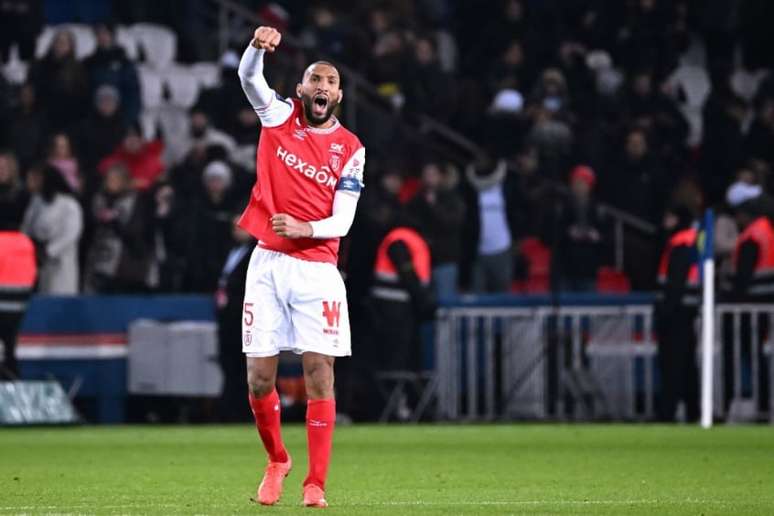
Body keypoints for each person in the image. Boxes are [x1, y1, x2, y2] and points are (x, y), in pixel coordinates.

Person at [237, 26, 365, 508]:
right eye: (315, 79)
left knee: (319, 373)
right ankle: (277, 459)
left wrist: (304, 229)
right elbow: (249, 79)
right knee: (258, 379)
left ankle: (315, 484)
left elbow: (345, 218)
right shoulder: (280, 118)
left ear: (339, 95)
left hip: (316, 268)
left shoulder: (351, 148)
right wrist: (256, 47)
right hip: (268, 263)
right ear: (301, 89)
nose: (322, 87)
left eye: (330, 81)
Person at [654, 203, 700, 422]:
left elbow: (675, 284)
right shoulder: (691, 239)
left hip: (676, 315)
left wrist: (664, 311)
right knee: (687, 366)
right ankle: (693, 411)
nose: (664, 222)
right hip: (686, 312)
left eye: (669, 217)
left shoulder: (680, 242)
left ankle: (668, 413)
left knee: (673, 365)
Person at [83, 163, 154, 293]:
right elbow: (89, 229)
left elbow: (137, 234)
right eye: (109, 179)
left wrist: (115, 222)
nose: (111, 183)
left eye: (115, 180)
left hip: (126, 265)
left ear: (125, 181)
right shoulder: (98, 200)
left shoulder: (136, 201)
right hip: (99, 261)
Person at [21, 164, 83, 294]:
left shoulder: (69, 204)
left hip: (61, 262)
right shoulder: (36, 201)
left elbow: (71, 234)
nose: (33, 182)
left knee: (60, 298)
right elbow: (27, 227)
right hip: (39, 261)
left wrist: (48, 251)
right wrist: (31, 248)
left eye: (37, 178)